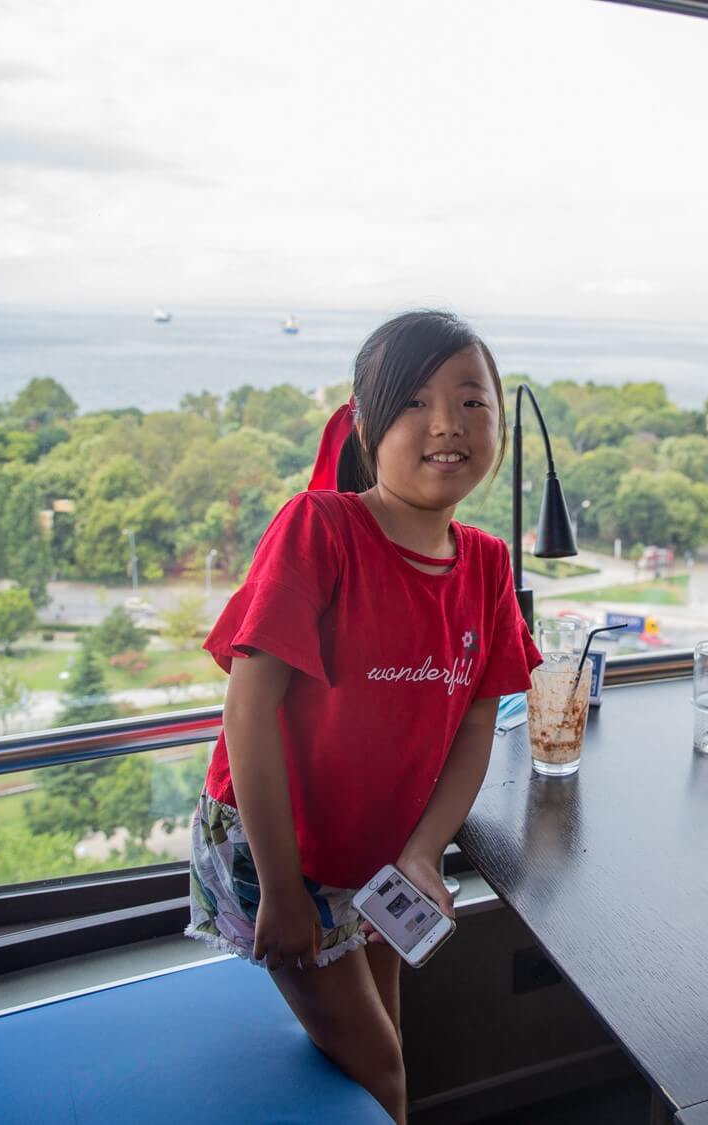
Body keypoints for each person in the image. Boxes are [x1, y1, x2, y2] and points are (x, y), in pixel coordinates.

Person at [184, 310, 540, 1123]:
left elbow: (477, 722)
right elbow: (249, 705)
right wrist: (282, 887)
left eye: (472, 401)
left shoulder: (487, 564)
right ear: (367, 423)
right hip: (279, 846)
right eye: (414, 401)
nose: (447, 422)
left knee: (385, 1036)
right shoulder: (320, 529)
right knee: (380, 1064)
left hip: (373, 854)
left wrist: (423, 850)